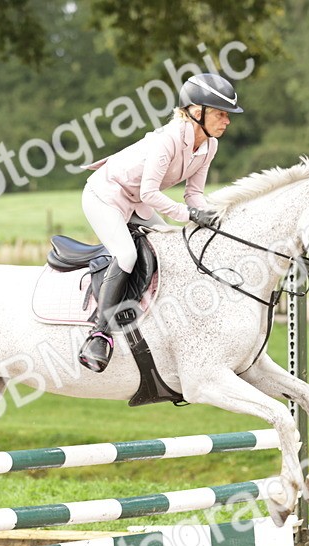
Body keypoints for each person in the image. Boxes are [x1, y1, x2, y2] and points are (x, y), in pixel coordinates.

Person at [77, 72, 242, 372]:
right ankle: (99, 334)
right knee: (126, 255)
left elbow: (194, 195)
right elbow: (150, 193)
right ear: (197, 111)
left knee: (172, 248)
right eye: (221, 113)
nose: (227, 121)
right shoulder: (168, 140)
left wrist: (211, 218)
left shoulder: (209, 146)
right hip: (105, 195)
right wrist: (189, 215)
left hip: (136, 201)